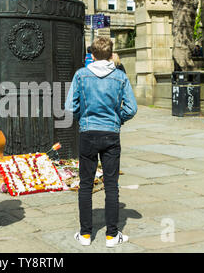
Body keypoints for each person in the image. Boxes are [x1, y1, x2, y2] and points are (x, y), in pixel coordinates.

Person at [65, 36, 138, 248]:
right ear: (111, 54)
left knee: (86, 185)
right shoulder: (120, 77)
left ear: (93, 55)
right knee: (112, 185)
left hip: (88, 133)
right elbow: (131, 108)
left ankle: (85, 234)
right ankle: (112, 235)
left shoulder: (81, 75)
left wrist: (83, 118)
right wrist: (118, 119)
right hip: (111, 134)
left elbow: (70, 106)